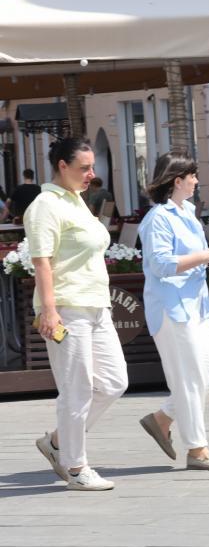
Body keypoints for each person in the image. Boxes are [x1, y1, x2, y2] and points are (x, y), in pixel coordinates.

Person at [27, 139, 129, 491]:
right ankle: (75, 467)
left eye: (91, 166)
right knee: (77, 389)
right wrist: (50, 311)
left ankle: (57, 442)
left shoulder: (77, 202)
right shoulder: (45, 205)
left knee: (114, 382)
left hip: (97, 305)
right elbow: (41, 261)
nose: (91, 174)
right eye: (84, 167)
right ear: (61, 166)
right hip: (68, 308)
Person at [138, 154, 209, 471]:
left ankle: (162, 417)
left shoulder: (188, 213)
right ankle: (197, 450)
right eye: (192, 175)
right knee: (189, 380)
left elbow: (199, 255)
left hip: (196, 305)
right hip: (171, 307)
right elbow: (162, 264)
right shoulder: (158, 218)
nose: (197, 180)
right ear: (176, 180)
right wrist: (206, 256)